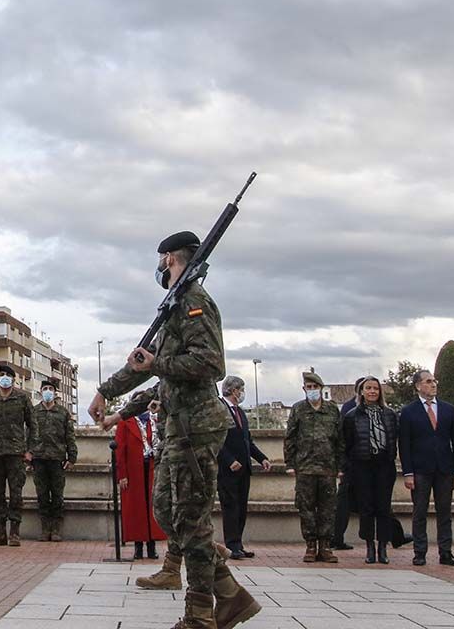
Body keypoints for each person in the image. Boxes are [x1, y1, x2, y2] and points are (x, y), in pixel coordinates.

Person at [88, 230, 259, 629]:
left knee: (190, 519)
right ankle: (230, 594)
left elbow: (211, 363)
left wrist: (156, 365)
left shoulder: (195, 302)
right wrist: (105, 394)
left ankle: (200, 614)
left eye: (162, 259)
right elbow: (144, 367)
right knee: (169, 511)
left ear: (168, 258)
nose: (159, 265)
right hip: (177, 429)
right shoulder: (175, 306)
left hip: (196, 428)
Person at [398, 369, 454, 566]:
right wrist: (408, 473)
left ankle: (446, 552)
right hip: (419, 470)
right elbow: (404, 445)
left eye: (434, 381)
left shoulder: (449, 410)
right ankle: (420, 552)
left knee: (444, 512)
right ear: (418, 386)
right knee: (420, 512)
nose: (433, 385)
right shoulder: (408, 412)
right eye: (428, 381)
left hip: (444, 469)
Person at [284, 371, 343, 564]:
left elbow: (340, 440)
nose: (312, 391)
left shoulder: (332, 410)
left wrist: (340, 466)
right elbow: (290, 437)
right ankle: (310, 545)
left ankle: (325, 546)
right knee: (306, 508)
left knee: (327, 509)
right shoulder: (298, 409)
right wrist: (290, 464)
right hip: (305, 468)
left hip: (328, 468)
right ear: (304, 389)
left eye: (315, 387)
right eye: (308, 388)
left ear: (321, 388)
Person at [342, 376, 398, 564]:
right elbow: (346, 445)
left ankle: (383, 547)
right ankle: (369, 547)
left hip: (384, 465)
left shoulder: (389, 414)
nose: (372, 391)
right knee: (366, 508)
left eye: (375, 388)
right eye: (368, 388)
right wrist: (347, 468)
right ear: (362, 392)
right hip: (362, 466)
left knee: (383, 507)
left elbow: (394, 438)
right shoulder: (352, 416)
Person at [0, 364, 34, 547]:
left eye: (7, 375)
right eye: (1, 375)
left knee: (16, 493)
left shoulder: (22, 399)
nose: (4, 378)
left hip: (16, 453)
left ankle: (15, 533)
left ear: (13, 379)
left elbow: (33, 426)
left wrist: (30, 450)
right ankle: (0, 531)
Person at [217, 376, 270, 560]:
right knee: (230, 507)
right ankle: (231, 546)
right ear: (234, 390)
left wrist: (261, 458)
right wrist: (229, 460)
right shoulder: (220, 410)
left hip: (244, 468)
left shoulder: (239, 412)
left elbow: (247, 440)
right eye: (241, 389)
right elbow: (217, 441)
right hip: (227, 469)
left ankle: (238, 543)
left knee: (241, 507)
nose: (242, 393)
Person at [116, 398, 165, 559]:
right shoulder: (126, 422)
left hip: (151, 467)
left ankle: (152, 546)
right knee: (136, 508)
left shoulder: (153, 420)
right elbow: (120, 449)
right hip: (133, 470)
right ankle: (138, 545)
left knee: (152, 507)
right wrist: (122, 474)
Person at [30, 378, 77, 542]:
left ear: (55, 393)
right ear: (41, 392)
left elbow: (69, 436)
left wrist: (72, 457)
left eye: (50, 388)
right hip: (39, 458)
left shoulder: (63, 413)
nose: (48, 391)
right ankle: (45, 529)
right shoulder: (34, 412)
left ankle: (56, 529)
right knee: (42, 495)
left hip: (57, 458)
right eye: (45, 389)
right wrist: (27, 453)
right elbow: (27, 433)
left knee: (57, 495)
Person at [332, 377, 365, 551]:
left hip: (363, 464)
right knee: (343, 503)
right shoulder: (350, 409)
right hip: (352, 464)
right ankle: (336, 537)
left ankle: (336, 537)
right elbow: (342, 439)